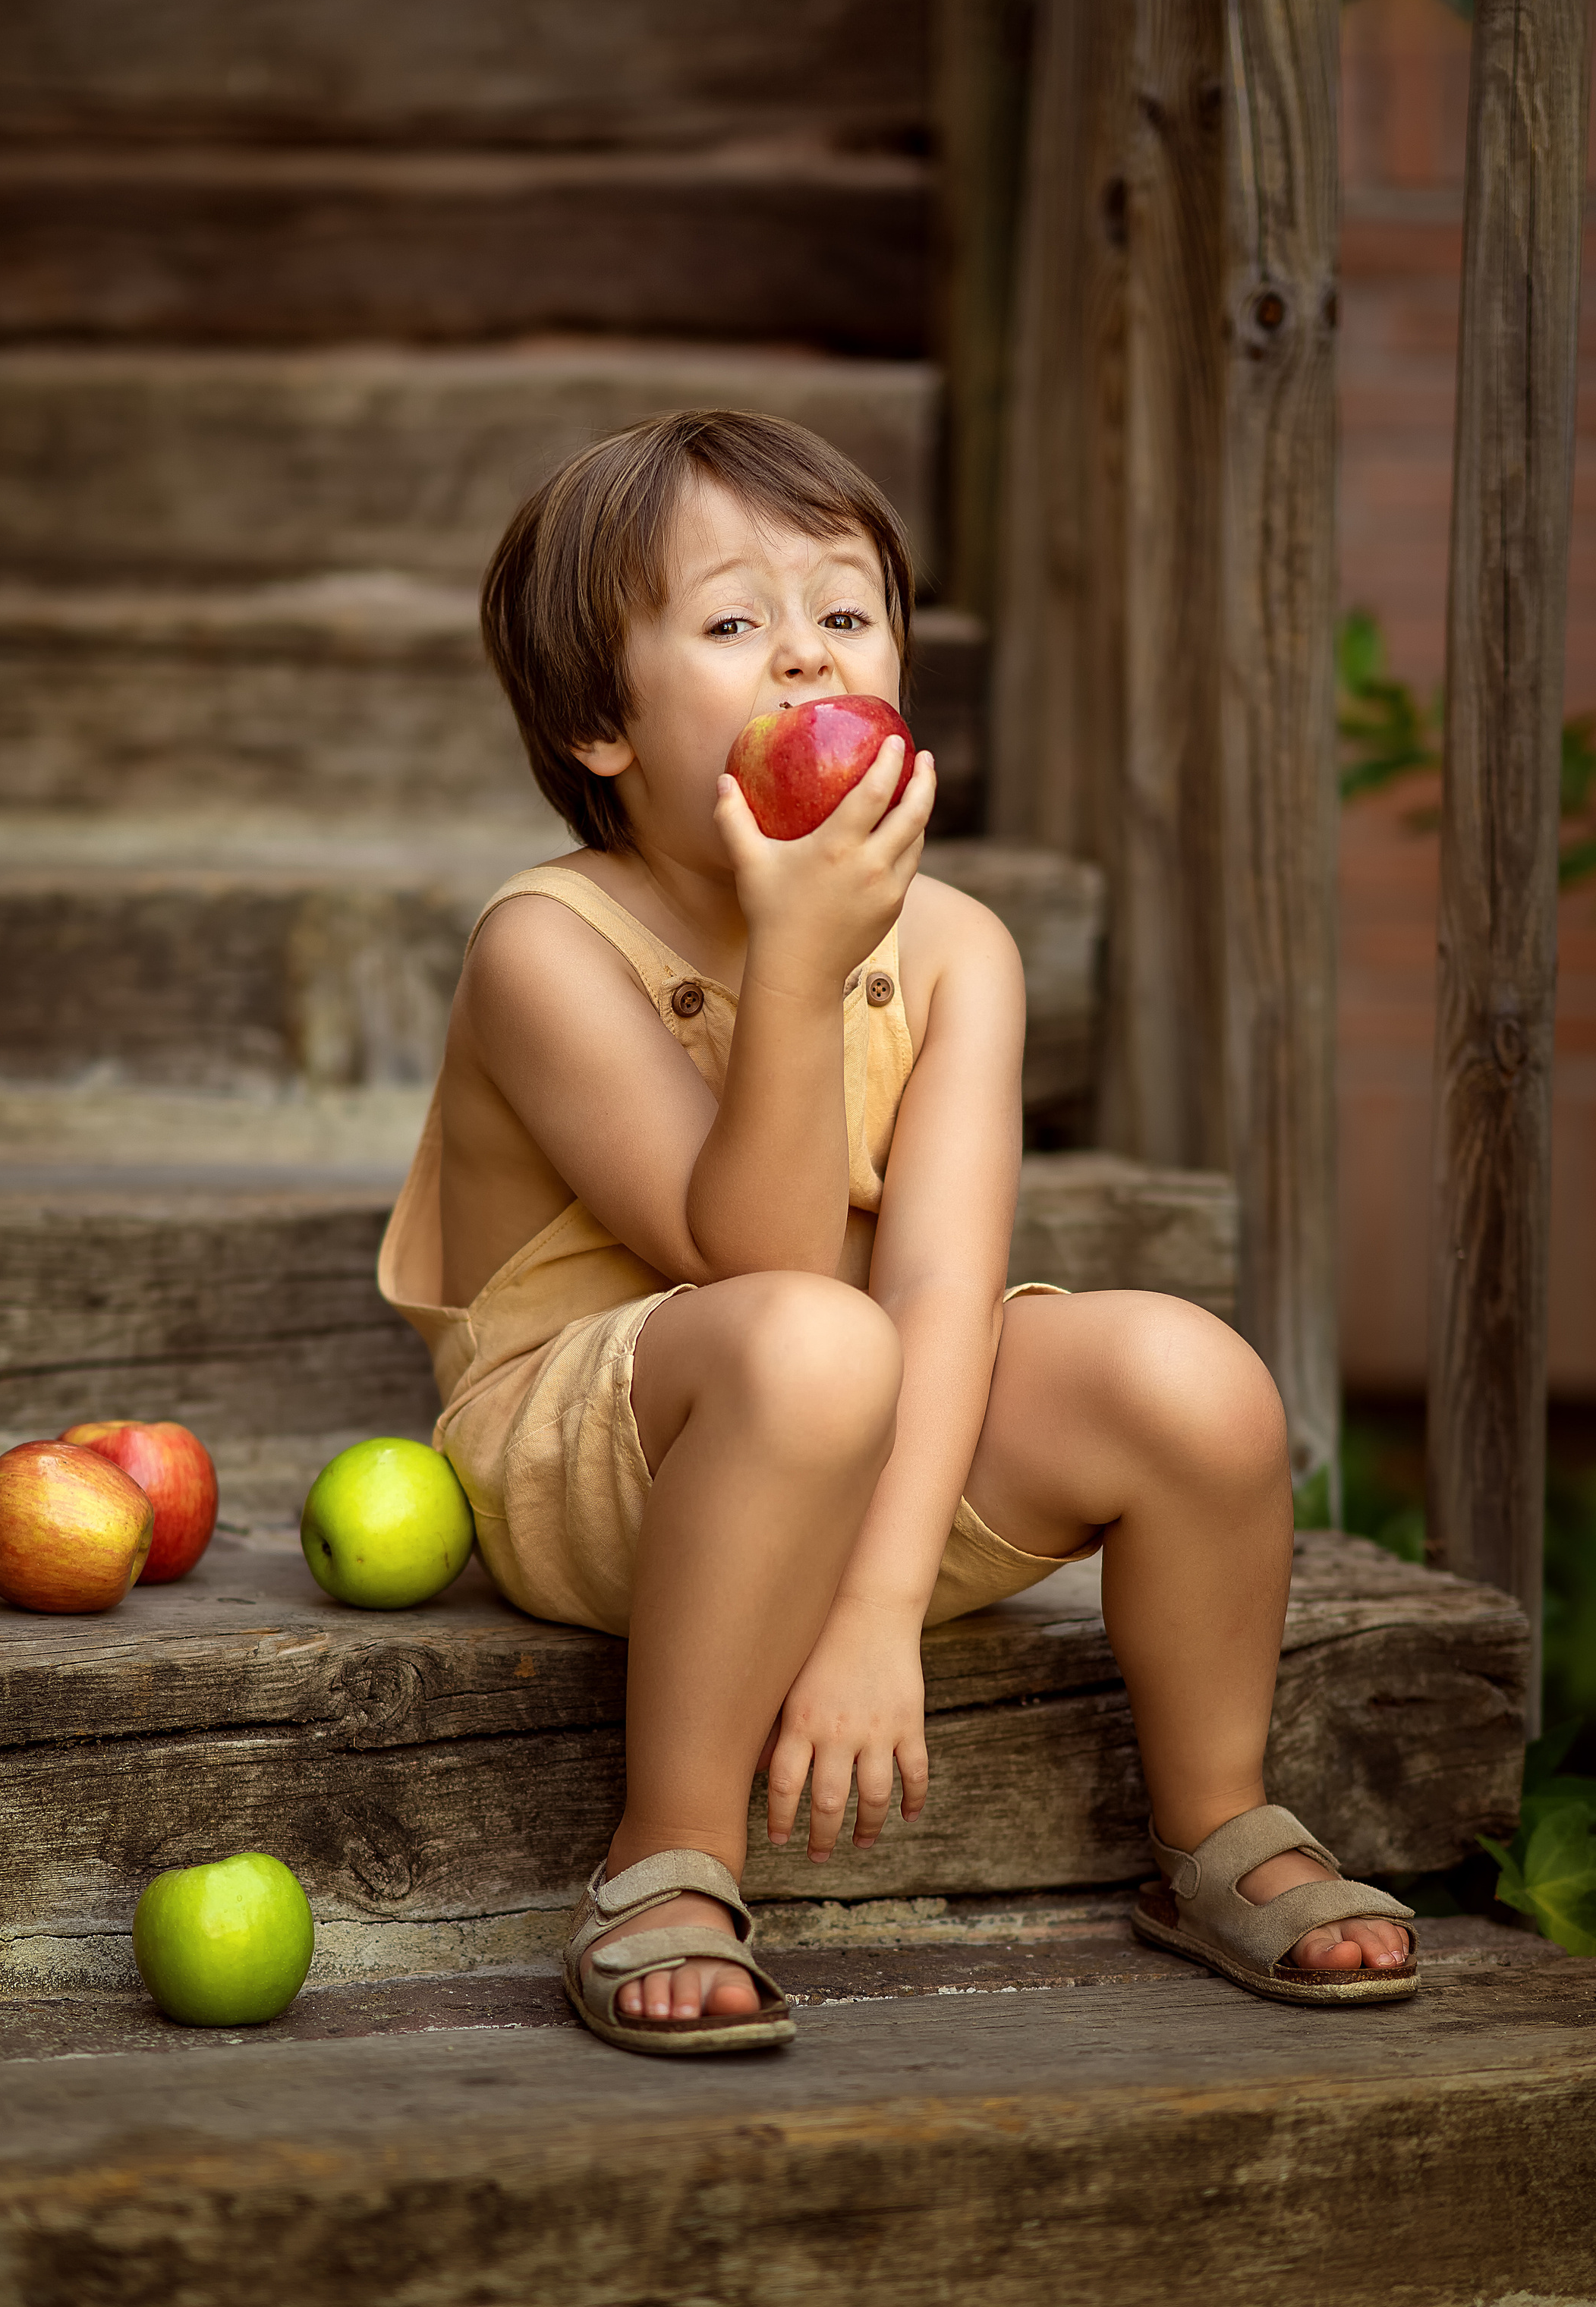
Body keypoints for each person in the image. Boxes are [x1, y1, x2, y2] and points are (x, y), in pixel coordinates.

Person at [378, 409, 1415, 2055]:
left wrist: (874, 1611)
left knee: (1191, 1375)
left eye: (845, 612)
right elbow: (760, 1261)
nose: (806, 656)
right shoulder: (546, 947)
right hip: (611, 1457)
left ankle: (1213, 1821)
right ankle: (667, 1850)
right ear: (596, 721)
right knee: (811, 1338)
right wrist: (796, 962)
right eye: (734, 622)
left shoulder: (955, 949)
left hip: (875, 1450)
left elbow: (941, 1285)